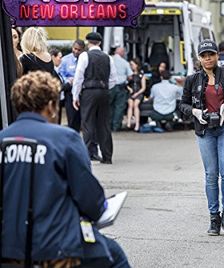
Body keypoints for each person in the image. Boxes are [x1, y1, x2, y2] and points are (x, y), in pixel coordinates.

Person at [0, 71, 130, 267]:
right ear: (51, 106)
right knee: (115, 256)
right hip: (55, 249)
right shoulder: (64, 138)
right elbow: (90, 200)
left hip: (8, 249)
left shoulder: (3, 139)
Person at [180, 39, 224, 236]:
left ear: (217, 56)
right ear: (199, 58)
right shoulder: (193, 79)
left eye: (211, 55)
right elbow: (182, 104)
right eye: (204, 56)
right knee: (210, 174)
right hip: (205, 130)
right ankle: (214, 218)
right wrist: (196, 112)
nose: (208, 59)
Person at [72, 32, 117, 164]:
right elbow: (114, 79)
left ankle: (86, 155)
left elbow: (79, 76)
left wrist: (76, 95)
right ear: (100, 43)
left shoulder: (85, 56)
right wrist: (104, 88)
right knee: (103, 124)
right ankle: (107, 156)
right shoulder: (108, 57)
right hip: (103, 91)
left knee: (87, 123)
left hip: (89, 92)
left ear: (88, 42)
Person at [59, 39, 85, 132]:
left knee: (80, 118)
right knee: (71, 117)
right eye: (75, 49)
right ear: (72, 48)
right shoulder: (65, 60)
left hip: (82, 91)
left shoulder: (85, 60)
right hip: (69, 91)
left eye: (79, 50)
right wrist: (68, 80)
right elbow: (60, 73)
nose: (76, 51)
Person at [110, 47, 132, 131]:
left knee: (109, 106)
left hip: (110, 86)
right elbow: (130, 76)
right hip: (121, 86)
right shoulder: (125, 63)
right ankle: (116, 126)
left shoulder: (109, 60)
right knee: (119, 107)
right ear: (122, 53)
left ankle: (108, 125)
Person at [126, 58, 146, 131]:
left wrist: (137, 93)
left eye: (132, 65)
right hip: (131, 92)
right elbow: (126, 84)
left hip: (138, 92)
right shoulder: (130, 75)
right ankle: (129, 122)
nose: (131, 66)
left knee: (136, 105)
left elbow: (143, 87)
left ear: (137, 65)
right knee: (130, 105)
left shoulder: (141, 75)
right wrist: (129, 89)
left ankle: (137, 123)